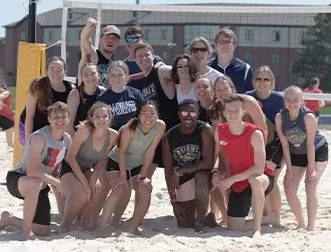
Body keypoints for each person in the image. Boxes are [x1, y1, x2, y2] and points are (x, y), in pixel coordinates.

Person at [0, 101, 72, 240]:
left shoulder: (67, 140)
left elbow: (56, 162)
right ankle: (26, 232)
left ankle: (9, 219)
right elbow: (32, 171)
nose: (60, 120)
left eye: (63, 116)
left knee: (43, 231)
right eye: (55, 117)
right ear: (49, 119)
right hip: (18, 178)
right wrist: (56, 182)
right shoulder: (39, 137)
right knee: (35, 182)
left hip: (40, 184)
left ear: (68, 118)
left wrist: (56, 177)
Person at [18, 56, 74, 222]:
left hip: (54, 133)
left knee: (56, 173)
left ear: (65, 70)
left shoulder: (70, 89)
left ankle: (63, 217)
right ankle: (32, 212)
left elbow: (67, 119)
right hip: (33, 129)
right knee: (35, 172)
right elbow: (29, 115)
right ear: (47, 71)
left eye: (59, 69)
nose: (56, 73)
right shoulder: (38, 86)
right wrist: (28, 142)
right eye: (52, 69)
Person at [212, 94, 276, 238]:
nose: (232, 114)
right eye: (228, 110)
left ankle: (257, 229)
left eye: (236, 110)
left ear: (243, 112)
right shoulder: (219, 131)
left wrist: (231, 179)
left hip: (262, 178)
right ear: (224, 113)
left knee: (255, 179)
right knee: (234, 228)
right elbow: (216, 155)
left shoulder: (255, 133)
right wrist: (215, 171)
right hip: (239, 182)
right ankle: (270, 218)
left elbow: (259, 168)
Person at [98, 100, 166, 236]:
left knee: (146, 189)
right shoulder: (130, 128)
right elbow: (121, 151)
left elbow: (150, 151)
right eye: (144, 113)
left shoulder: (160, 126)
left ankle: (134, 227)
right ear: (138, 115)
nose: (148, 117)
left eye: (152, 113)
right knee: (120, 189)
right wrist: (123, 176)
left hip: (137, 165)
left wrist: (143, 176)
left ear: (157, 115)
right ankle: (103, 226)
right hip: (117, 161)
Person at [275, 85, 329, 231]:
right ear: (284, 101)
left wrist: (311, 170)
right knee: (289, 187)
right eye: (288, 100)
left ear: (302, 101)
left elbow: (310, 145)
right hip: (296, 152)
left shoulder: (308, 117)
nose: (292, 103)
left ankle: (310, 226)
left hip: (317, 150)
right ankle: (301, 222)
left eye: (295, 99)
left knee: (310, 184)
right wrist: (290, 170)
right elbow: (285, 146)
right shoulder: (280, 118)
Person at [60, 102, 118, 232]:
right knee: (84, 195)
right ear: (91, 118)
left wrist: (95, 177)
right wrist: (86, 183)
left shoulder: (113, 135)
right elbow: (70, 157)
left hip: (87, 168)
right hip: (69, 167)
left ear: (109, 118)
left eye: (104, 116)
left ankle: (85, 225)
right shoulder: (85, 131)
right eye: (97, 116)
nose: (101, 119)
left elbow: (103, 159)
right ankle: (65, 224)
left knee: (96, 191)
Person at [163, 99, 216, 233]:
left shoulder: (205, 130)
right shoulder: (169, 137)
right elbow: (168, 171)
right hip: (183, 180)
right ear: (179, 114)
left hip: (203, 177)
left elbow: (208, 163)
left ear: (197, 115)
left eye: (193, 113)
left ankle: (200, 222)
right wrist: (174, 202)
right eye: (185, 112)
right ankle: (207, 218)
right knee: (185, 223)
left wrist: (181, 170)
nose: (188, 116)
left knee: (201, 176)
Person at [246, 65, 284, 225]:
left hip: (276, 142)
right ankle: (267, 214)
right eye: (258, 79)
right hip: (256, 142)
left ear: (272, 82)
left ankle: (277, 215)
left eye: (266, 79)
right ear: (254, 81)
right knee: (259, 179)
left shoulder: (279, 99)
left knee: (272, 179)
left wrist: (284, 157)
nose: (262, 82)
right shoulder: (248, 97)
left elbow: (286, 128)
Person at [66, 55, 106, 137]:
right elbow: (69, 124)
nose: (90, 77)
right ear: (82, 77)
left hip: (98, 137)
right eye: (86, 75)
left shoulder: (103, 91)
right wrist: (74, 143)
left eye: (93, 73)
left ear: (99, 75)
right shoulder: (75, 94)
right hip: (79, 137)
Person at [99, 61, 145, 131]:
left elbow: (143, 113)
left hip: (133, 133)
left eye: (120, 75)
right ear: (108, 77)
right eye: (113, 75)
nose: (116, 78)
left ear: (126, 76)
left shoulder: (136, 93)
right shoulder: (102, 98)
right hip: (113, 135)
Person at [209, 27, 254, 93]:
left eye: (228, 42)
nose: (225, 45)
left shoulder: (246, 69)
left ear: (234, 46)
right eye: (221, 42)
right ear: (216, 45)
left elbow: (250, 96)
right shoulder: (208, 67)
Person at [80, 17, 121, 89]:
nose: (110, 40)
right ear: (100, 39)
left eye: (114, 38)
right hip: (86, 98)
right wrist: (88, 27)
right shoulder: (93, 56)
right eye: (107, 37)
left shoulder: (113, 65)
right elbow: (85, 40)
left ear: (118, 43)